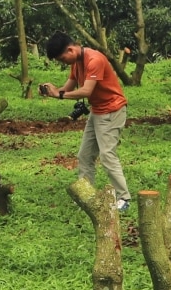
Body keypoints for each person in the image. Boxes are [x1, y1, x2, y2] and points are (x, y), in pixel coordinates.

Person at [40, 32, 130, 211]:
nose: (62, 62)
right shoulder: (76, 63)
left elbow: (86, 91)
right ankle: (87, 195)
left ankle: (124, 198)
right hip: (97, 111)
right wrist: (52, 91)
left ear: (70, 49)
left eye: (61, 58)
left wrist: (60, 94)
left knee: (107, 155)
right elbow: (68, 88)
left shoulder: (94, 60)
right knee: (85, 155)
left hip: (112, 110)